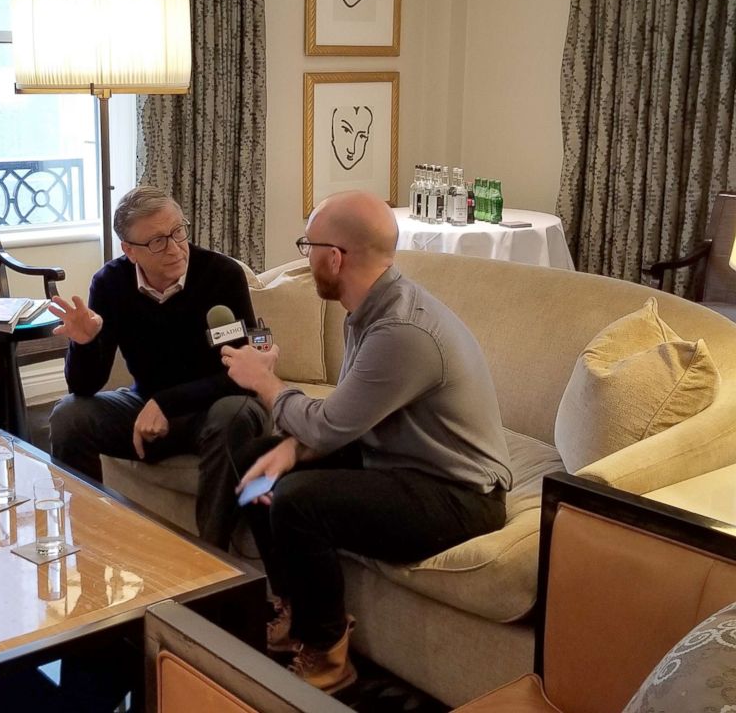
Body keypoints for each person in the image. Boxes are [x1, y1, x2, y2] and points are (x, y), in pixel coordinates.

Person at [221, 190, 512, 694]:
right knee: (258, 458)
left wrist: (263, 381)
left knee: (295, 502)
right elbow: (345, 419)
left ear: (334, 257)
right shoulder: (371, 307)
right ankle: (296, 604)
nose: (303, 256)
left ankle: (330, 651)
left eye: (306, 245)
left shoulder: (401, 329)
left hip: (456, 495)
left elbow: (329, 426)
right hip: (399, 461)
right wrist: (292, 447)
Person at [49, 185, 268, 550]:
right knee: (69, 416)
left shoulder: (221, 275)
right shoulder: (110, 283)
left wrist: (166, 403)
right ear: (129, 250)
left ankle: (211, 562)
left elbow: (242, 376)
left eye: (178, 231)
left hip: (212, 408)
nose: (175, 248)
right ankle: (89, 544)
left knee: (235, 414)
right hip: (144, 406)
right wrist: (84, 343)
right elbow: (84, 387)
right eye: (157, 242)